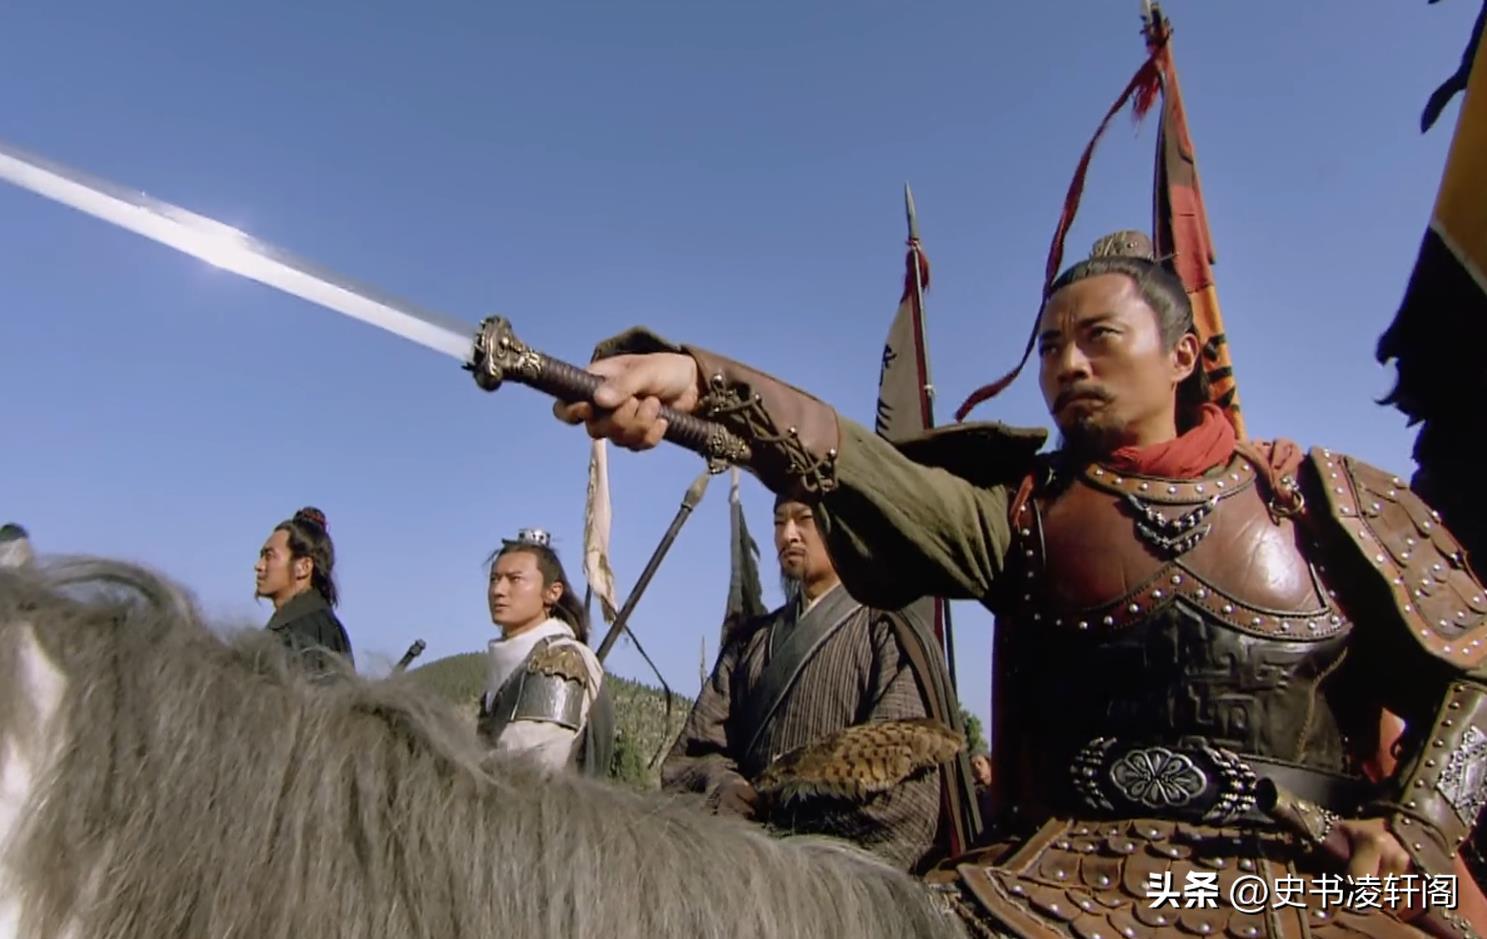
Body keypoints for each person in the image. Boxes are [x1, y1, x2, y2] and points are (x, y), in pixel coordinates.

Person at [554, 233, 1487, 938]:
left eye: (1097, 337)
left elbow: (1476, 670)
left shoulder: (1318, 498)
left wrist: (1415, 823)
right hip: (1056, 878)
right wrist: (702, 381)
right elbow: (861, 465)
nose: (1066, 364)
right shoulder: (1023, 515)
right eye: (1048, 346)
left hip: (1297, 878)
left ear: (1180, 356)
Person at [662, 490, 968, 873]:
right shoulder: (749, 642)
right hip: (737, 869)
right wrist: (724, 790)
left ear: (840, 527)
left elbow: (907, 799)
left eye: (803, 519)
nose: (787, 535)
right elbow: (691, 756)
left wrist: (788, 834)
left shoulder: (887, 634)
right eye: (779, 522)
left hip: (831, 885)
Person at [478, 529, 614, 776]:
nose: (498, 590)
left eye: (515, 579)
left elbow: (530, 767)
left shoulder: (559, 659)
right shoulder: (513, 667)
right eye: (494, 579)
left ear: (552, 592)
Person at [255, 507, 354, 677]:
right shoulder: (316, 625)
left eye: (269, 556)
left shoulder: (304, 634)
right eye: (261, 556)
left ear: (304, 567)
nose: (259, 565)